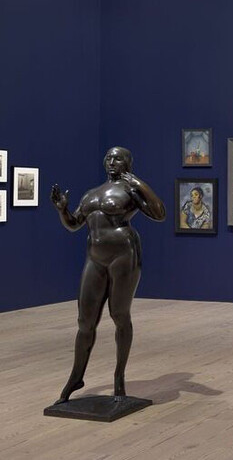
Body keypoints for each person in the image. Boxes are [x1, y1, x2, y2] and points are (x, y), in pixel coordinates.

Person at [50, 146, 166, 404]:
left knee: (119, 315)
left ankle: (119, 376)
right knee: (85, 321)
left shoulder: (130, 190)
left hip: (124, 254)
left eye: (118, 158)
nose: (112, 162)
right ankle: (76, 376)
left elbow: (159, 213)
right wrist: (62, 210)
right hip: (95, 256)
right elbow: (74, 224)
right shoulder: (92, 194)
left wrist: (137, 182)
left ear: (127, 163)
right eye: (109, 158)